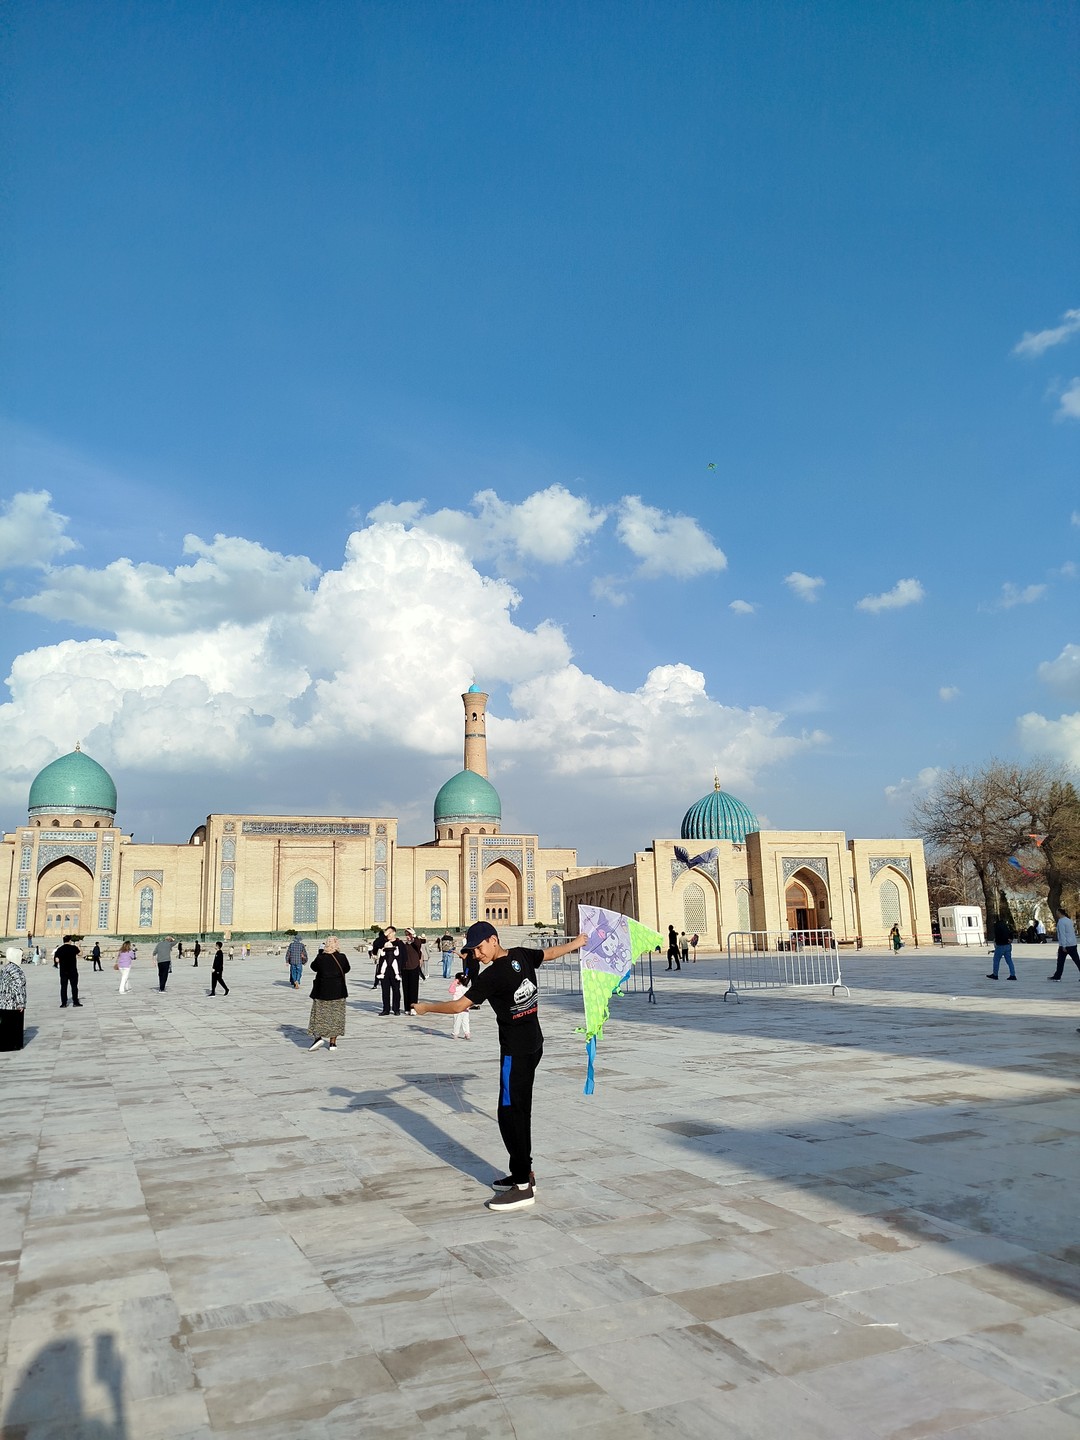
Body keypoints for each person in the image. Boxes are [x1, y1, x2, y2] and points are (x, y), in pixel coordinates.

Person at [411, 920, 588, 1211]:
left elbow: (458, 1006)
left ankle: (522, 1186)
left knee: (509, 1115)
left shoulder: (493, 975)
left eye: (480, 948)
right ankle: (524, 1173)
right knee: (520, 1110)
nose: (477, 954)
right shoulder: (521, 955)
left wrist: (426, 1008)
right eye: (473, 951)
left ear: (493, 940)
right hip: (534, 1044)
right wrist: (577, 943)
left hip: (515, 1053)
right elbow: (549, 954)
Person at [307, 937, 350, 1053]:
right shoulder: (342, 957)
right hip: (338, 991)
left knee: (319, 1016)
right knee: (336, 1017)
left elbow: (313, 967)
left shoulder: (321, 958)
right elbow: (347, 969)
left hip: (322, 992)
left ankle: (318, 1037)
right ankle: (333, 1043)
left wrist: (321, 953)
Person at [375, 927, 409, 1016]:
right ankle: (386, 1009)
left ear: (394, 933)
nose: (388, 934)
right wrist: (384, 935)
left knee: (396, 990)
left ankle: (396, 1009)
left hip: (395, 971)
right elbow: (375, 945)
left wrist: (400, 968)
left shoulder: (399, 943)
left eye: (389, 932)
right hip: (384, 971)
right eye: (386, 933)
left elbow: (404, 956)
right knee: (385, 991)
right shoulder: (383, 942)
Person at [0, 947, 28, 1050]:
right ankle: (13, 1045)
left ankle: (5, 1045)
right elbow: (18, 987)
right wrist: (21, 1003)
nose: (21, 958)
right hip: (12, 1003)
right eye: (20, 956)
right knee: (14, 1025)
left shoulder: (6, 968)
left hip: (4, 1002)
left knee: (5, 1025)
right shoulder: (16, 970)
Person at [1048, 911, 1080, 980]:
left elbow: (1062, 934)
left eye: (1057, 913)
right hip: (1072, 944)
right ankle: (1057, 976)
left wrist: (1063, 946)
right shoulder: (1069, 920)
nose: (1056, 914)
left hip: (1066, 944)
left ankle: (1057, 976)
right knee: (1077, 960)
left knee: (1060, 962)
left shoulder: (1061, 922)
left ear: (1060, 913)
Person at [55, 935, 82, 1008]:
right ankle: (75, 1002)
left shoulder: (60, 949)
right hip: (72, 970)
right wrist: (79, 946)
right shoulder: (73, 948)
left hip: (63, 971)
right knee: (74, 986)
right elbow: (80, 954)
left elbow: (57, 960)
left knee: (63, 987)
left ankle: (64, 1003)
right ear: (70, 941)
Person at [986, 915, 1017, 980]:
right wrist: (1010, 939)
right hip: (1008, 945)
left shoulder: (997, 926)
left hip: (1000, 945)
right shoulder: (1006, 925)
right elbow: (1011, 932)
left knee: (996, 960)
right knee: (1009, 961)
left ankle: (995, 974)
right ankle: (1013, 975)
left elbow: (999, 936)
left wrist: (997, 942)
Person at [402, 928, 424, 1012]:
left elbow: (418, 943)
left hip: (414, 967)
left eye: (409, 935)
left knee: (413, 989)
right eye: (407, 935)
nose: (408, 937)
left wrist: (414, 935)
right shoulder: (404, 945)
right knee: (406, 989)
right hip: (404, 968)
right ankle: (407, 1008)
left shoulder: (415, 945)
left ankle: (413, 1007)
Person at [449, 970, 471, 1040]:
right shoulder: (467, 989)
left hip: (457, 1007)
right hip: (465, 1008)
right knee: (465, 1021)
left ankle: (455, 1033)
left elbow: (450, 990)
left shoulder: (457, 988)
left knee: (457, 1021)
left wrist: (454, 983)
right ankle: (467, 1033)